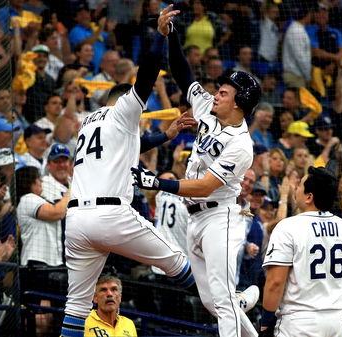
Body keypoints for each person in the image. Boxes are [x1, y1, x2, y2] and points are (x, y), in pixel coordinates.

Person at [60, 9, 195, 337]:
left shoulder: (89, 122)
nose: (142, 113)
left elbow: (129, 144)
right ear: (123, 102)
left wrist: (165, 135)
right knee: (178, 262)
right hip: (110, 214)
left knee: (76, 308)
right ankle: (225, 301)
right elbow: (146, 76)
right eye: (139, 107)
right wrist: (159, 36)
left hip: (76, 221)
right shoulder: (124, 109)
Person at [131, 12, 262, 337]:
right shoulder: (206, 107)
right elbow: (182, 73)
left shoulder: (243, 145)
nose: (216, 94)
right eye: (218, 89)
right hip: (195, 220)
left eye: (225, 93)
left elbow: (205, 186)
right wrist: (171, 34)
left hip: (221, 218)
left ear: (239, 105)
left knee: (221, 296)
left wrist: (157, 182)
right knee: (212, 301)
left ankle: (241, 303)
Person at [258, 167, 342, 337]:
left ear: (309, 196)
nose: (296, 188)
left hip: (299, 321)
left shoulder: (288, 227)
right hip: (336, 321)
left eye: (300, 185)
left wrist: (265, 323)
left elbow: (275, 282)